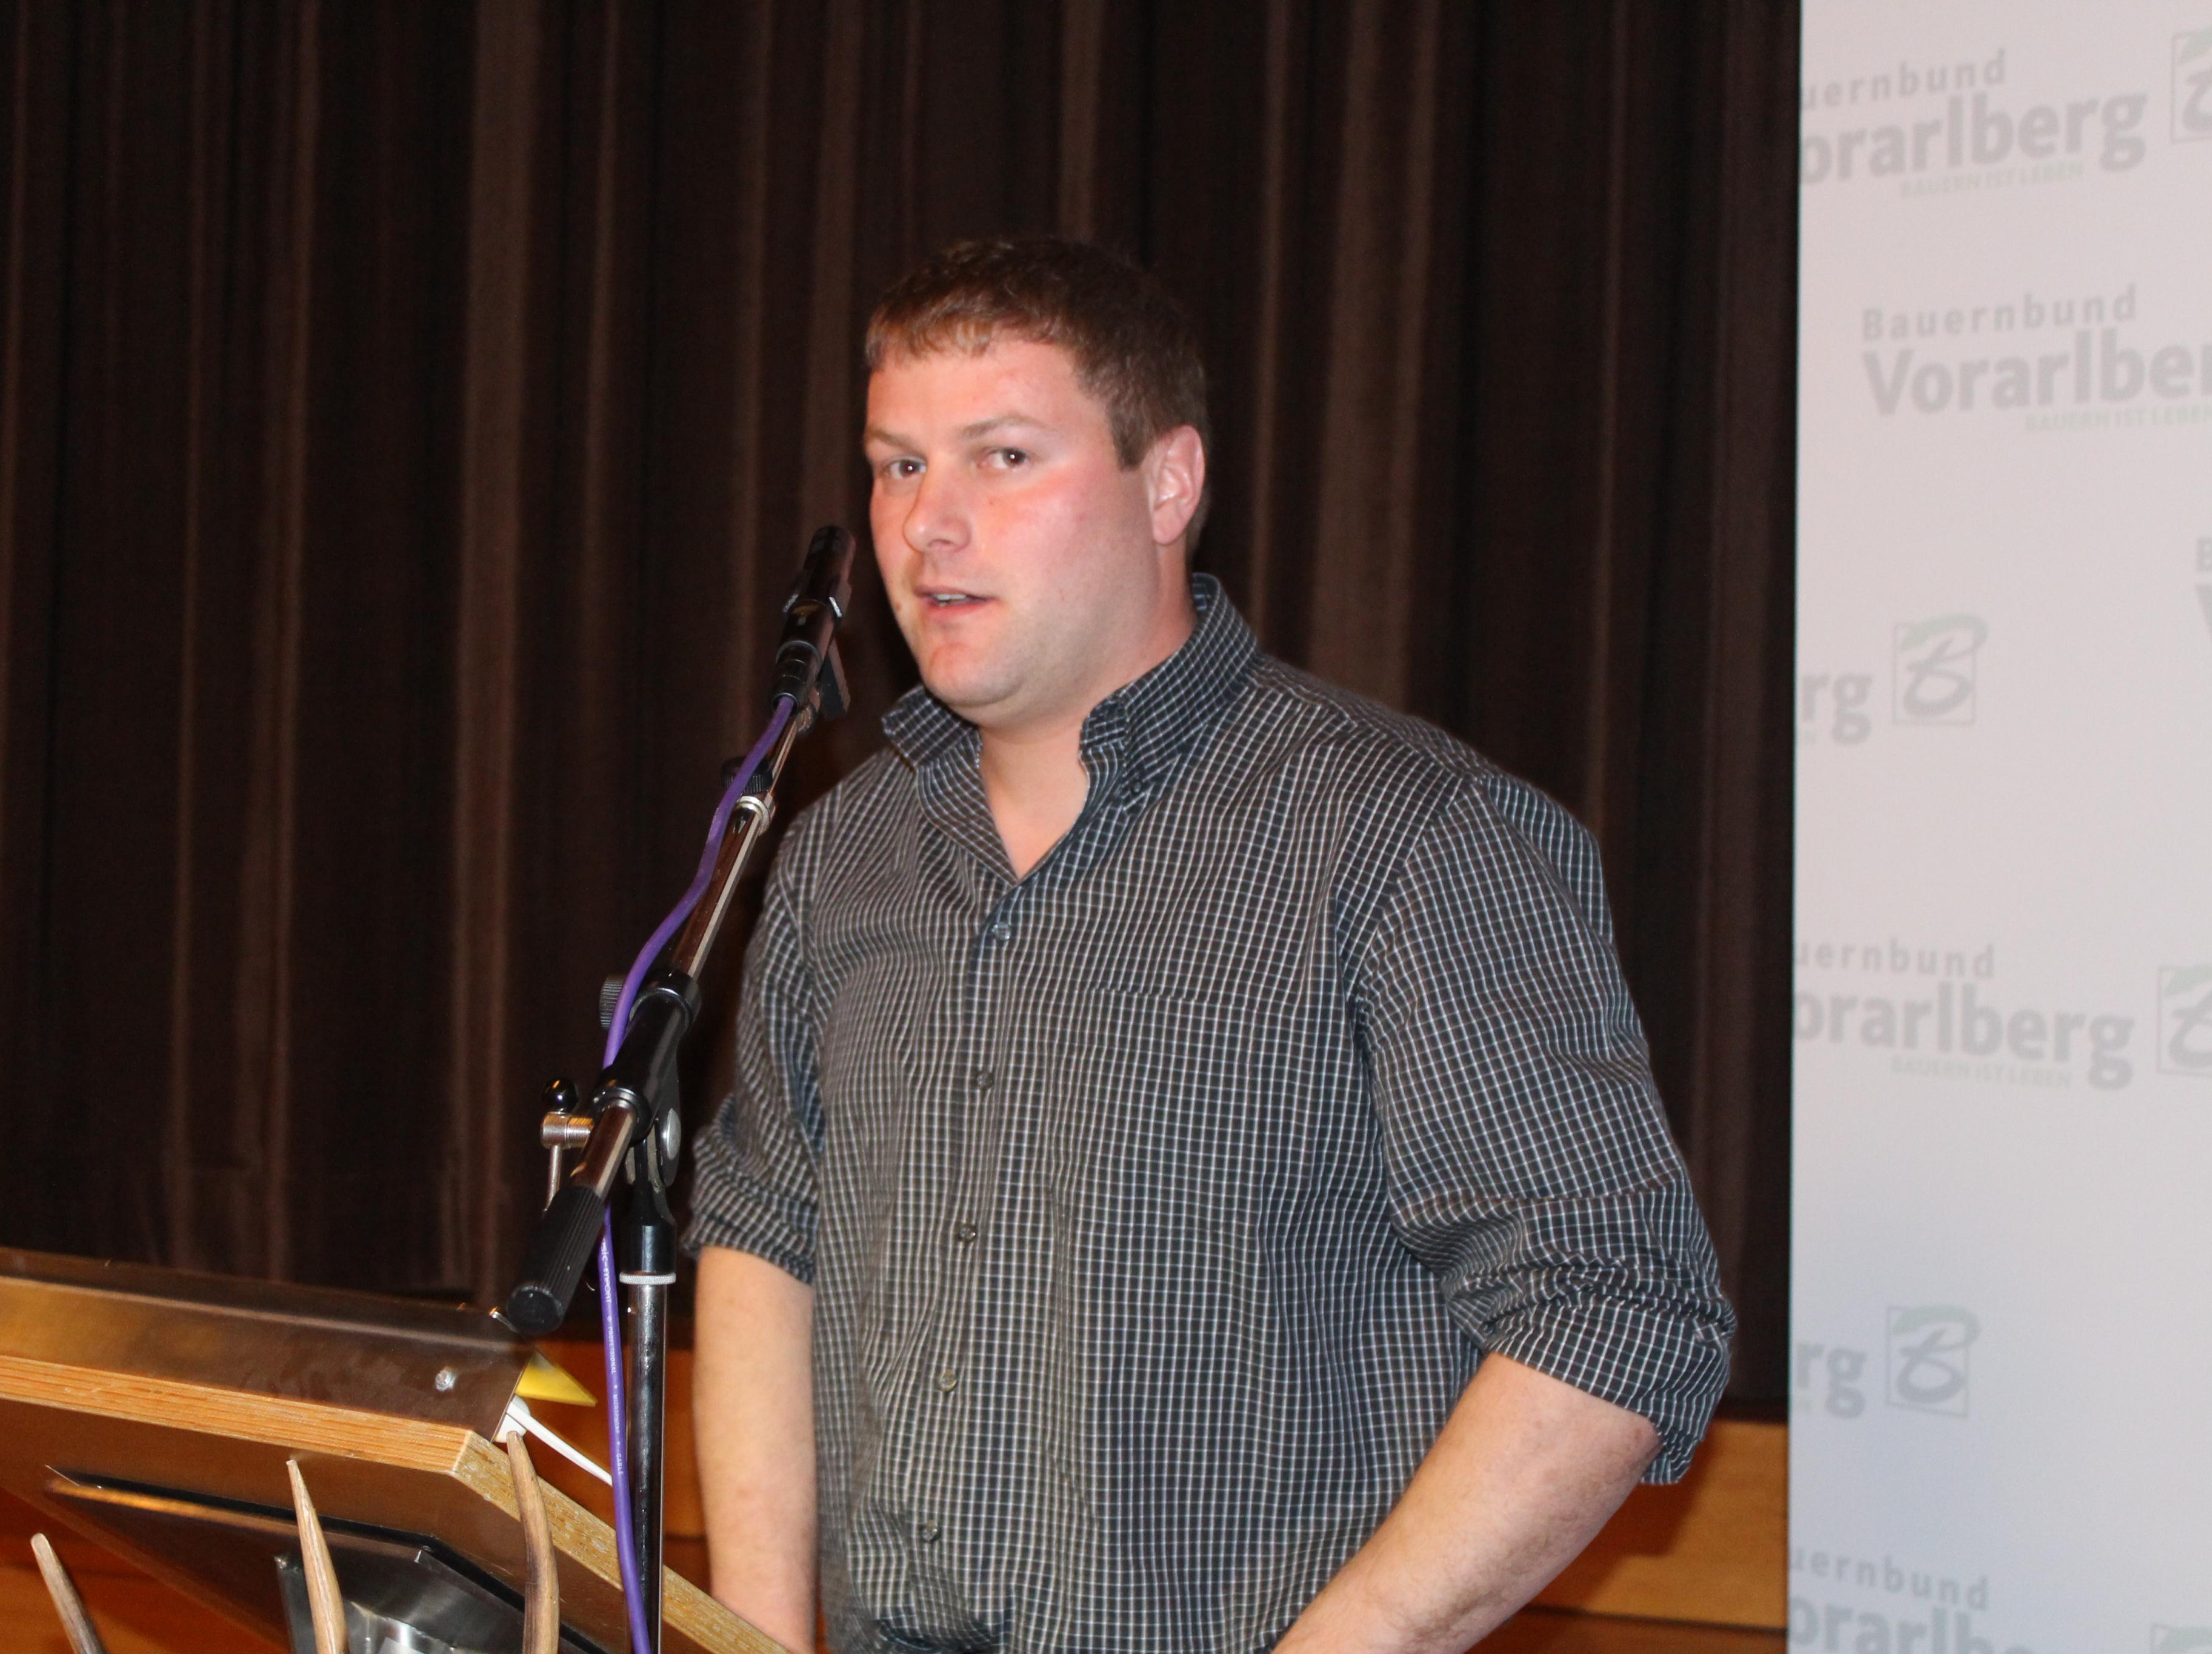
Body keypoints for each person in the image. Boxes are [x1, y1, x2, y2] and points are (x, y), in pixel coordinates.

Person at [685, 236, 1734, 1654]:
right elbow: (765, 1230)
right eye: (898, 465)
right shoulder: (839, 855)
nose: (928, 524)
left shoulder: (1405, 838)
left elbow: (1615, 1309)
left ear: (1167, 483)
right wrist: (749, 1642)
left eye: (1003, 458)